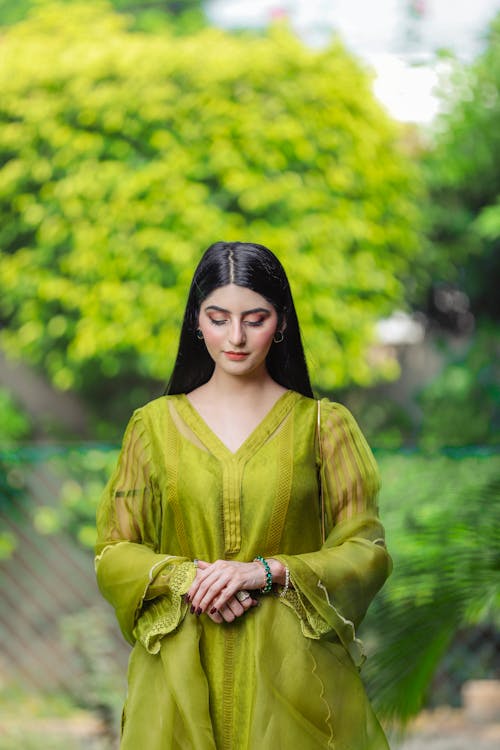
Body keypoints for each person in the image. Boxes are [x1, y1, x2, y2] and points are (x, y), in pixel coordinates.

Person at [95, 241, 393, 750]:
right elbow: (113, 552)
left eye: (255, 319)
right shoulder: (151, 427)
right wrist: (187, 577)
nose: (235, 337)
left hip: (293, 682)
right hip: (177, 681)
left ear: (280, 323)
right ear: (196, 321)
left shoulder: (323, 426)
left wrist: (267, 571)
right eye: (218, 317)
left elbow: (366, 552)